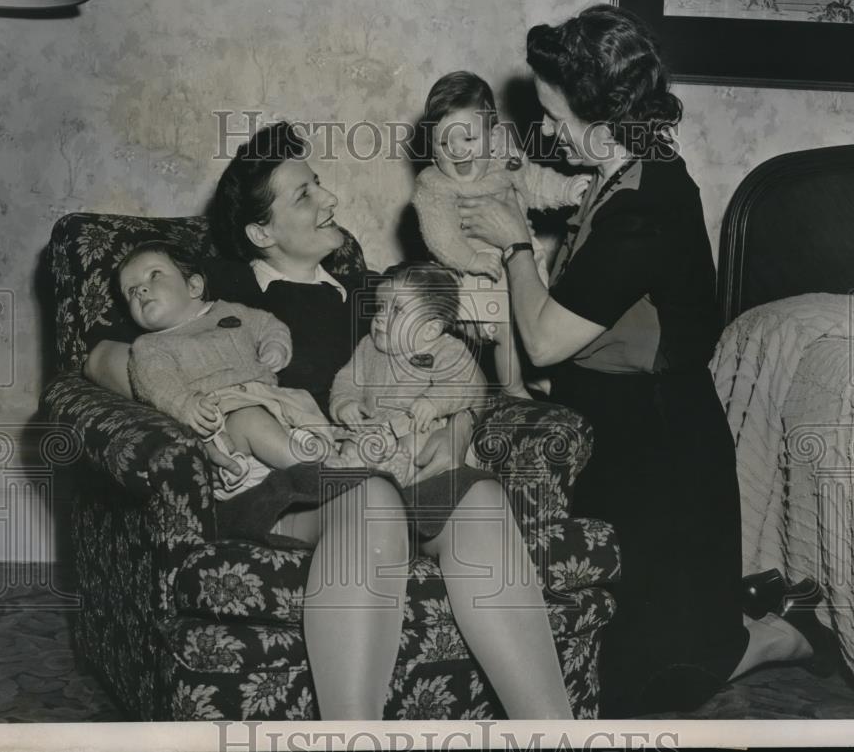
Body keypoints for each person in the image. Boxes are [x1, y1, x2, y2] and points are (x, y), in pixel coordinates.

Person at [84, 122, 573, 721]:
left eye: (319, 184)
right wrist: (204, 403)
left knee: (480, 500)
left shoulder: (371, 293)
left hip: (386, 459)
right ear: (261, 231)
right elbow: (103, 357)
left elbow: (450, 367)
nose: (330, 199)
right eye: (304, 195)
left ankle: (552, 732)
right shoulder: (224, 287)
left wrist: (459, 427)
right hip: (287, 482)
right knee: (372, 500)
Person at [456, 3, 838, 717]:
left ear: (601, 124)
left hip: (662, 460)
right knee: (607, 663)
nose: (545, 131)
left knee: (653, 684)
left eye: (555, 116)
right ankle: (740, 606)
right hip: (611, 433)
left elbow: (542, 340)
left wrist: (514, 245)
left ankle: (783, 631)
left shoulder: (648, 204)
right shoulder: (615, 174)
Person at [413, 71, 590, 399]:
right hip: (470, 276)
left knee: (540, 314)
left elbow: (535, 182)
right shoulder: (434, 186)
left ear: (493, 138)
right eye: (443, 143)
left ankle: (537, 375)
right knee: (506, 327)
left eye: (469, 139)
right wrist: (471, 259)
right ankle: (513, 387)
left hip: (521, 263)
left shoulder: (504, 160)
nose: (457, 152)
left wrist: (567, 188)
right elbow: (438, 235)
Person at [116, 240, 332, 500]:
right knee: (250, 419)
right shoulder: (149, 346)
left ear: (194, 286)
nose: (140, 290)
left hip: (274, 404)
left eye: (154, 275)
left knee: (313, 420)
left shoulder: (230, 310)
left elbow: (267, 324)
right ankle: (319, 476)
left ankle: (327, 459)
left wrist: (276, 346)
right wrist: (184, 404)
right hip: (226, 423)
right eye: (130, 291)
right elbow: (154, 382)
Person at [329, 261, 490, 489]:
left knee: (417, 442)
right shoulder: (367, 346)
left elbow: (465, 383)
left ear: (430, 329)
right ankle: (353, 466)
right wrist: (344, 402)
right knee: (352, 445)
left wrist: (434, 401)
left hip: (417, 423)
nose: (380, 317)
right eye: (380, 307)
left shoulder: (446, 349)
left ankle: (402, 472)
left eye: (396, 310)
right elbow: (346, 379)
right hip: (375, 424)